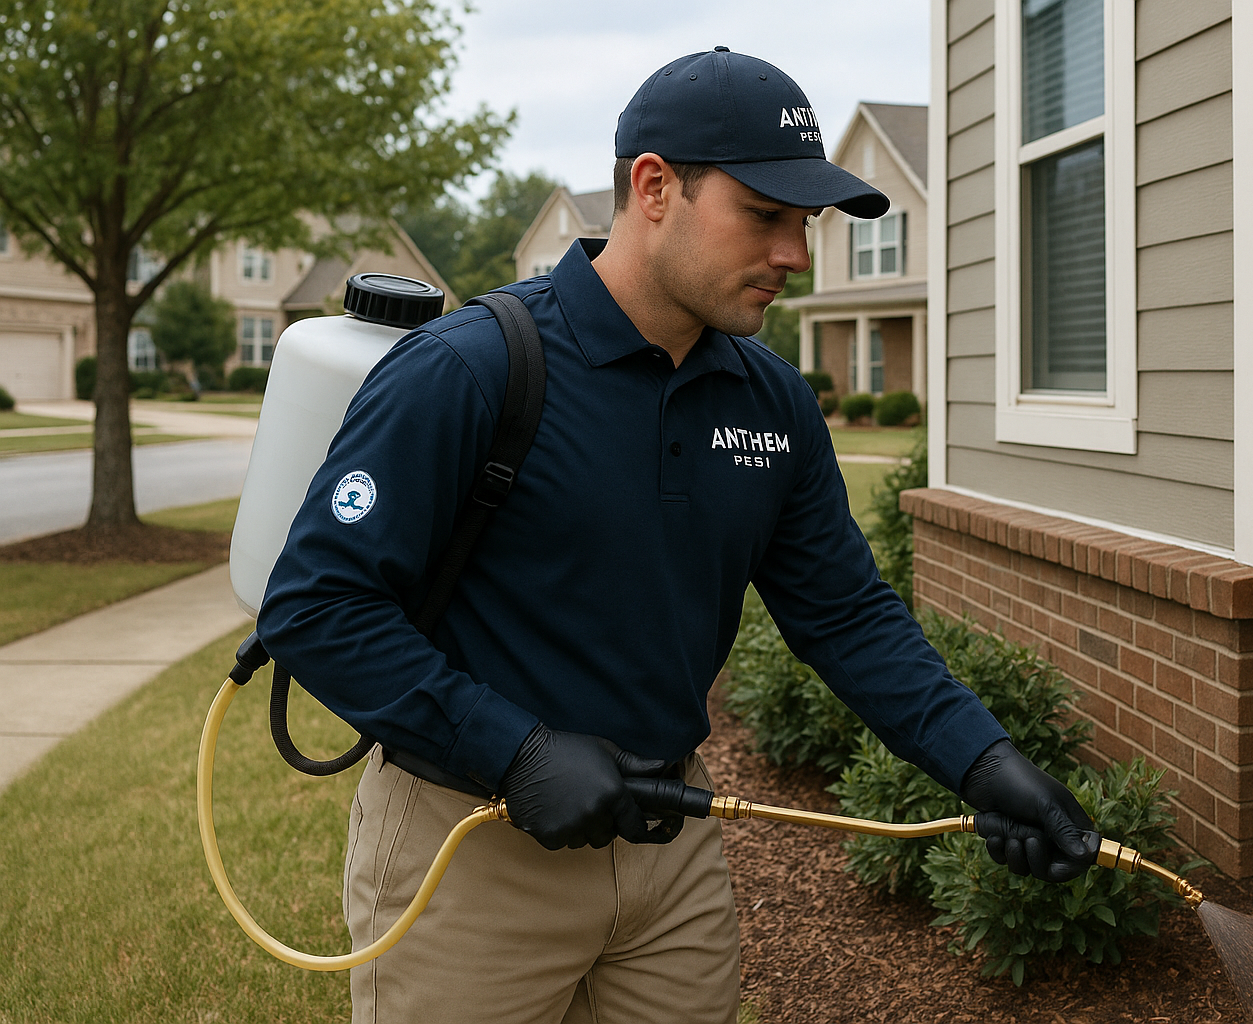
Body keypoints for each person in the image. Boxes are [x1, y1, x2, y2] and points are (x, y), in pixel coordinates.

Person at [258, 48, 1097, 1024]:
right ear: (655, 188)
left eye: (807, 224)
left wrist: (983, 761)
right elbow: (315, 605)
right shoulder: (473, 369)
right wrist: (515, 750)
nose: (797, 254)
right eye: (767, 216)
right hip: (469, 842)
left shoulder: (774, 403)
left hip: (671, 858)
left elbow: (847, 616)